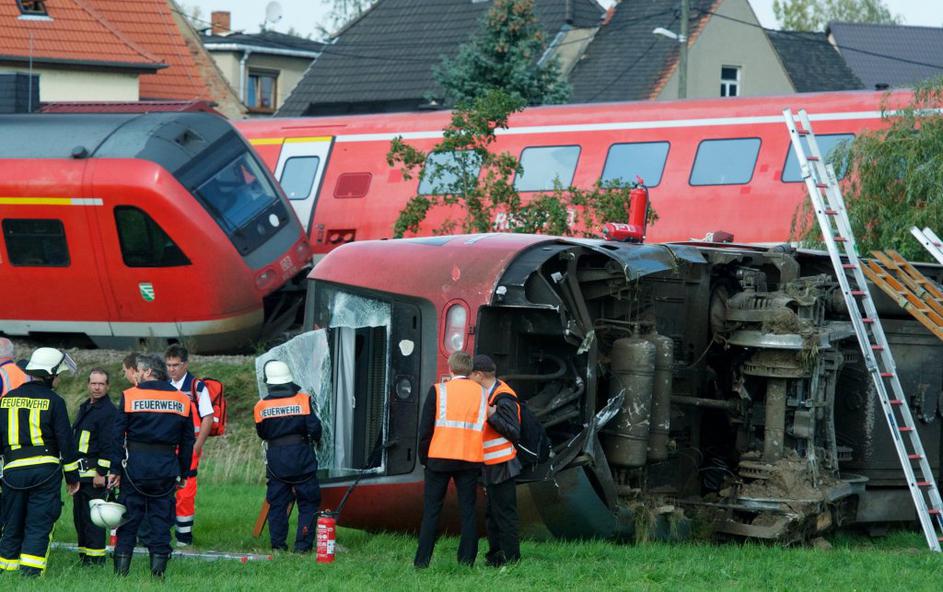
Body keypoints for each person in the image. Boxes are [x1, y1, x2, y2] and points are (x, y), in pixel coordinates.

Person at [108, 354, 194, 578]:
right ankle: (158, 573)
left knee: (128, 518)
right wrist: (183, 472)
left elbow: (116, 436)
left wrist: (115, 469)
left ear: (147, 372)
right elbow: (187, 442)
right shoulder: (182, 400)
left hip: (134, 467)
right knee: (161, 520)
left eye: (139, 371)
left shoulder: (129, 396)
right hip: (166, 467)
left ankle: (121, 573)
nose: (136, 374)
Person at [0, 347, 80, 577]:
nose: (59, 379)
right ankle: (31, 573)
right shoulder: (54, 401)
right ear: (50, 375)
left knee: (12, 520)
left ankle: (6, 569)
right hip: (45, 471)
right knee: (39, 521)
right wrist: (72, 478)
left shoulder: (7, 400)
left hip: (13, 471)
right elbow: (66, 442)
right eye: (58, 375)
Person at [414, 351, 487, 568]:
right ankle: (466, 561)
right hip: (470, 458)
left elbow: (425, 428)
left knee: (432, 511)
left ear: (450, 368)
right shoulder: (482, 393)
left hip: (439, 458)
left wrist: (424, 458)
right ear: (470, 370)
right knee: (468, 511)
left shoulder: (439, 390)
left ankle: (422, 561)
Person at [254, 361, 322, 552]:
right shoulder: (303, 399)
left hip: (276, 461)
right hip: (302, 458)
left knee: (277, 505)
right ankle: (302, 547)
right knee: (308, 504)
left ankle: (278, 546)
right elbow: (315, 428)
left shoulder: (261, 406)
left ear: (269, 382)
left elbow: (262, 433)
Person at [470, 354, 522, 567]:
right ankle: (495, 556)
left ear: (479, 375)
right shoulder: (488, 393)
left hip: (503, 465)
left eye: (471, 375)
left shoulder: (503, 397)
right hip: (491, 465)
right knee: (492, 514)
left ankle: (512, 559)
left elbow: (513, 431)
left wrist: (492, 414)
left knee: (505, 515)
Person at [164, 344, 214, 546]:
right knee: (164, 488)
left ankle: (184, 539)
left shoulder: (197, 386)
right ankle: (162, 532)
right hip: (166, 447)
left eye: (175, 365)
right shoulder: (164, 385)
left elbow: (208, 418)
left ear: (185, 364)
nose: (171, 369)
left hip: (189, 448)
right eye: (168, 365)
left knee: (185, 492)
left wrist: (197, 446)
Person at [71, 368, 118, 566]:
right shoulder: (86, 407)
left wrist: (101, 473)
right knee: (80, 518)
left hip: (94, 475)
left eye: (101, 384)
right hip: (81, 474)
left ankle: (96, 560)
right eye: (93, 383)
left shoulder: (109, 412)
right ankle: (84, 557)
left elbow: (109, 444)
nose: (96, 387)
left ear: (107, 386)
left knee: (94, 520)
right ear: (88, 384)